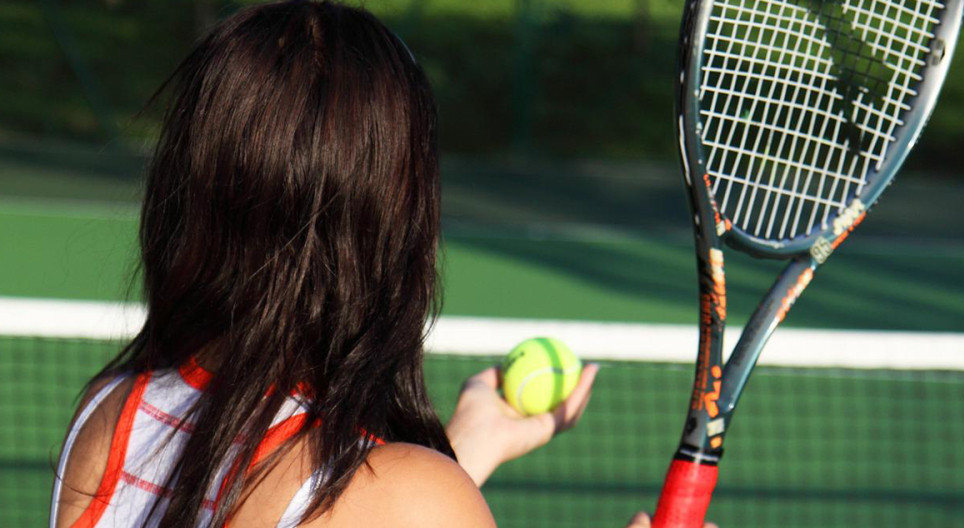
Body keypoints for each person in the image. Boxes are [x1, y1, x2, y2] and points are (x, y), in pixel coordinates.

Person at [49, 2, 712, 527]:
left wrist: (464, 449)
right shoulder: (415, 504)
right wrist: (435, 480)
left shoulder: (109, 417)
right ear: (396, 228)